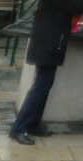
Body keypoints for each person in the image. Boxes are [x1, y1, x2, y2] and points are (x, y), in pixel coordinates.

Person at [8, 0, 83, 143]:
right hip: (48, 41)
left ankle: (33, 124)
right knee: (41, 86)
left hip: (51, 40)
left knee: (45, 84)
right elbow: (75, 6)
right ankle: (18, 128)